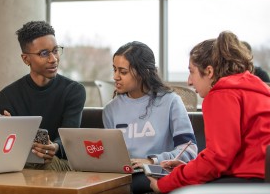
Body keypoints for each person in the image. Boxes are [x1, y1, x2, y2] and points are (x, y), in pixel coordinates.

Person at [148, 31, 270, 193]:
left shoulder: (221, 94)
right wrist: (187, 168)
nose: (189, 81)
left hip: (251, 181)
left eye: (192, 71)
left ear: (209, 71)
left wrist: (164, 184)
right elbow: (229, 155)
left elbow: (217, 159)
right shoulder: (255, 89)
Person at [102, 41, 197, 194]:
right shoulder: (110, 110)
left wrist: (152, 160)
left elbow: (189, 151)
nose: (115, 77)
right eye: (114, 70)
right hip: (123, 176)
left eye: (123, 72)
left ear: (143, 72)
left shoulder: (171, 101)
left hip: (156, 173)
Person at [0, 21, 86, 171]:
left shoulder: (74, 91)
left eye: (55, 50)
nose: (53, 59)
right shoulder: (8, 95)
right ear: (26, 59)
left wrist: (54, 147)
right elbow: (5, 147)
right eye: (44, 53)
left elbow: (69, 136)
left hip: (60, 161)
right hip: (21, 162)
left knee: (45, 163)